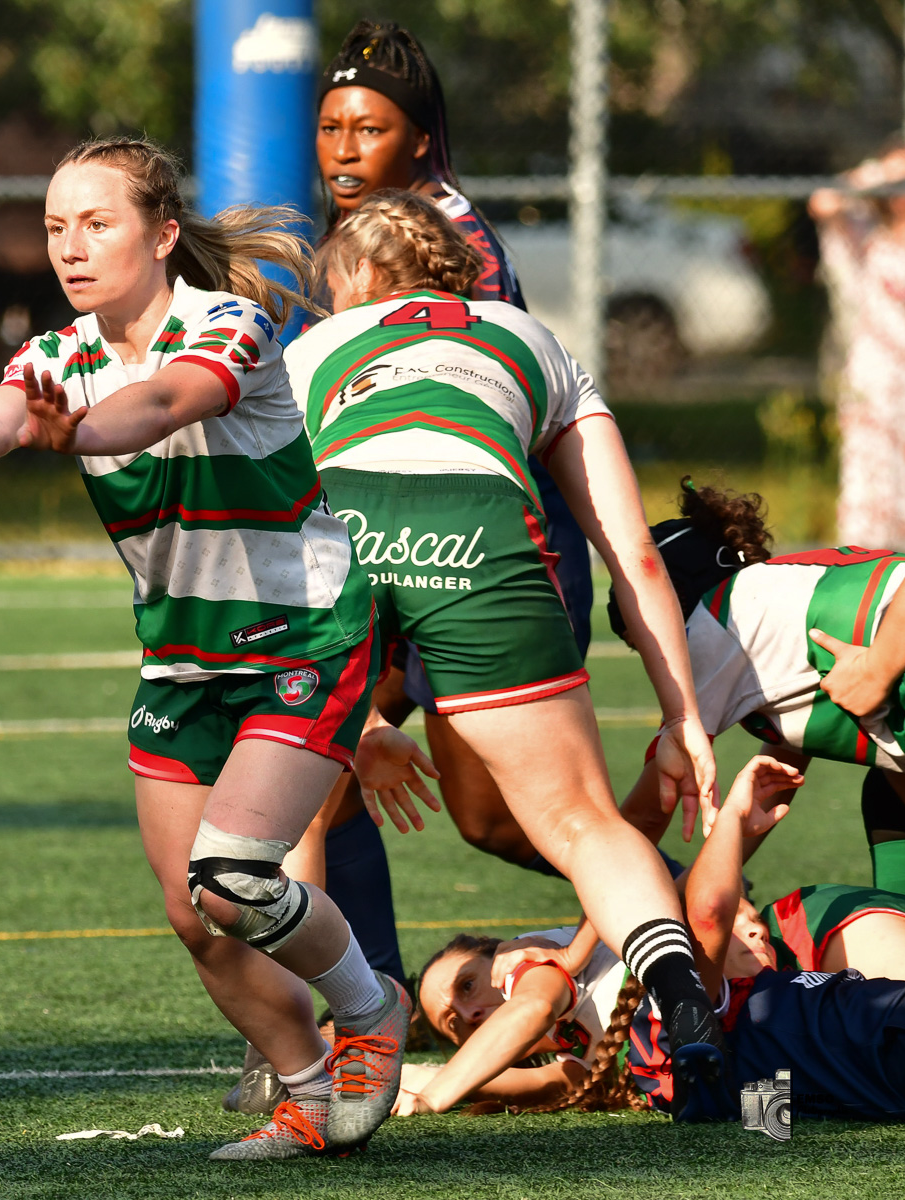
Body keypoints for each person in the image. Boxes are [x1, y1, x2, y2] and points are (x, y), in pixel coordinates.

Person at [0, 136, 419, 1160]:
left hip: (303, 635)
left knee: (233, 878)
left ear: (163, 234)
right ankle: (308, 1091)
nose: (70, 247)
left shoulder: (227, 324)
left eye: (96, 223)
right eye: (55, 228)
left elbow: (164, 403)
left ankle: (371, 1006)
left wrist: (72, 433)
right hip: (182, 657)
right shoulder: (58, 356)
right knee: (193, 913)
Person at [281, 187, 730, 1124]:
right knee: (579, 822)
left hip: (347, 527)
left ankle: (297, 1051)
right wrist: (682, 715)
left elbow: (267, 531)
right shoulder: (534, 340)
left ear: (361, 272)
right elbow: (634, 553)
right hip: (479, 534)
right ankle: (688, 1007)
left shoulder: (315, 348)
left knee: (292, 803)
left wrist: (353, 721)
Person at [291, 18, 591, 988]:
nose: (343, 149)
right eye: (331, 127)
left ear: (420, 140)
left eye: (369, 129)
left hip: (487, 554)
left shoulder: (447, 245)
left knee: (495, 818)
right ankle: (362, 1001)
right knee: (311, 765)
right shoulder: (369, 232)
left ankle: (706, 919)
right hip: (394, 551)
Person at [406, 756, 905, 1120]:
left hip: (795, 939)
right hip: (767, 999)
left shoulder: (529, 964)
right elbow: (521, 1082)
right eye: (456, 1025)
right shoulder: (589, 1057)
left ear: (497, 952)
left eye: (466, 986)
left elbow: (530, 1011)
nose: (471, 1012)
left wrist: (435, 1096)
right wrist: (383, 1076)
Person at [608, 480, 905, 900]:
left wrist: (596, 935)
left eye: (642, 643)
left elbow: (644, 818)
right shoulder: (775, 598)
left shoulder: (710, 628)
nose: (651, 661)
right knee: (894, 791)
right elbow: (778, 779)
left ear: (668, 605)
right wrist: (694, 894)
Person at [811, 144, 905, 552]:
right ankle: (867, 566)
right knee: (871, 476)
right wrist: (883, 171)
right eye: (900, 185)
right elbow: (823, 201)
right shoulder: (865, 238)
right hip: (876, 379)